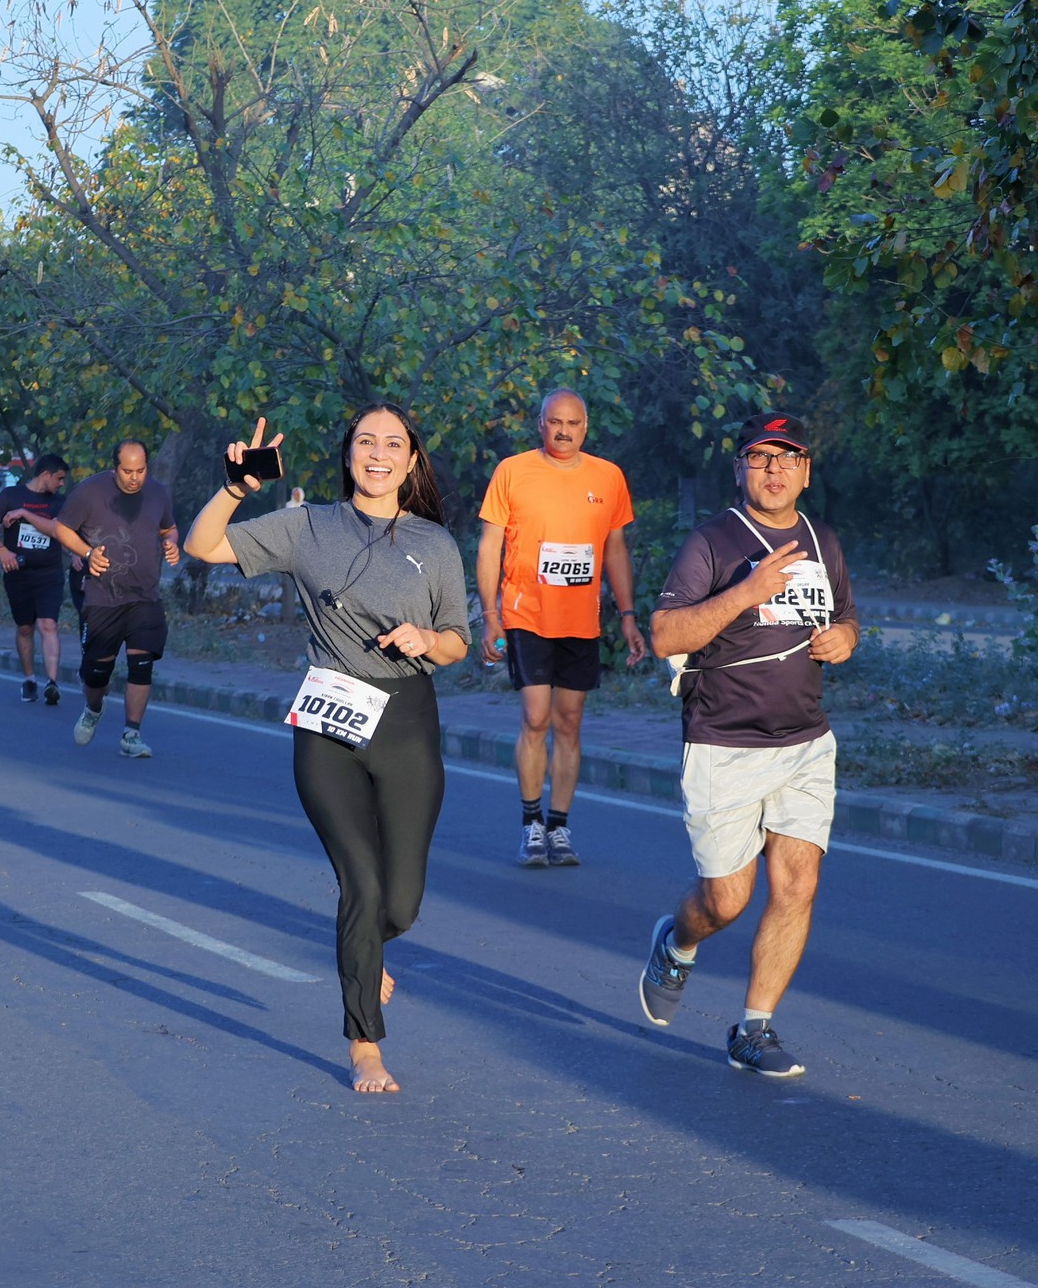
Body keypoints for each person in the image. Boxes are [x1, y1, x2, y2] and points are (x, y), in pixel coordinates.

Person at [185, 409, 471, 1096]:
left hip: (407, 720)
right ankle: (364, 1043)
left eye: (393, 444)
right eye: (366, 442)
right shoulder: (307, 527)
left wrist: (428, 641)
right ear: (348, 455)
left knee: (400, 904)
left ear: (411, 461)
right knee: (362, 885)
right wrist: (235, 488)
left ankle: (366, 948)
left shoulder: (434, 543)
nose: (378, 454)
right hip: (329, 723)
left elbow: (458, 640)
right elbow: (202, 546)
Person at [636, 412, 858, 1080]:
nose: (774, 469)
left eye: (787, 458)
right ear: (740, 469)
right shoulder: (713, 541)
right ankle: (677, 942)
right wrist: (747, 592)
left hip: (805, 741)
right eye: (761, 458)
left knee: (798, 883)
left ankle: (754, 1028)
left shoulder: (823, 540)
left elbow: (846, 614)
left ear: (806, 472)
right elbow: (665, 634)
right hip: (723, 743)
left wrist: (846, 638)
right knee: (727, 900)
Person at [476, 389, 647, 867]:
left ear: (585, 427)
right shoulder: (512, 471)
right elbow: (489, 546)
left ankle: (559, 826)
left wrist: (628, 616)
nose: (564, 431)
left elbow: (615, 549)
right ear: (541, 424)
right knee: (536, 717)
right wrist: (489, 615)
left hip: (580, 619)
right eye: (555, 422)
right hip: (527, 614)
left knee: (569, 720)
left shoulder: (608, 477)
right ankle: (531, 823)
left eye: (573, 423)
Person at [49, 441, 180, 757]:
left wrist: (172, 543)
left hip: (145, 596)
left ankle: (131, 734)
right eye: (128, 471)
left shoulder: (157, 492)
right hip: (102, 598)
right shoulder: (89, 492)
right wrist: (87, 553)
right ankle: (93, 708)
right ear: (115, 467)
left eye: (140, 471)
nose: (135, 478)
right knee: (96, 676)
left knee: (141, 666)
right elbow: (60, 528)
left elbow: (169, 529)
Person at [0, 453, 71, 704]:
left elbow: (56, 529)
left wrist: (24, 514)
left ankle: (52, 683)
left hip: (49, 573)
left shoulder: (60, 502)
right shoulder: (11, 495)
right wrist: (1, 550)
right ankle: (29, 679)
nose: (61, 483)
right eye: (59, 478)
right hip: (17, 574)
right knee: (25, 627)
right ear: (46, 474)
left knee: (48, 624)